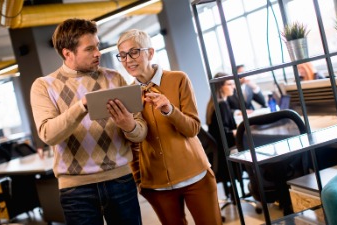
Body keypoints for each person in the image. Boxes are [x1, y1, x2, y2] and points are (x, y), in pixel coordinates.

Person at [30, 18, 147, 225]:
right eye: (90, 49)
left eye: (98, 46)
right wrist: (83, 105)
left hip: (121, 181)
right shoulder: (43, 86)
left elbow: (140, 132)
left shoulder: (114, 78)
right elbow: (48, 134)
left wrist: (129, 126)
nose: (98, 53)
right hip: (76, 190)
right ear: (68, 53)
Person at [115, 29, 223, 225]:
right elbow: (133, 144)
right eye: (122, 55)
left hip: (196, 177)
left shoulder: (178, 79)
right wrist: (139, 181)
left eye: (134, 52)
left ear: (150, 52)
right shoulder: (127, 95)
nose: (128, 60)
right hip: (156, 185)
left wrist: (169, 109)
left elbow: (193, 129)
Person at [205, 72, 237, 199]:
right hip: (226, 154)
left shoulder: (213, 104)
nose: (233, 87)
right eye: (229, 84)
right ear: (220, 87)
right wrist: (238, 131)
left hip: (218, 155)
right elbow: (224, 133)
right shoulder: (222, 104)